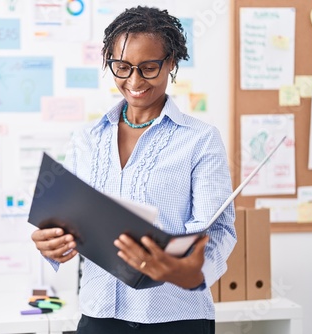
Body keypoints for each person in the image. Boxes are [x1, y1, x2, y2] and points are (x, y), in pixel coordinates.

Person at [31, 6, 236, 334]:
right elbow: (66, 219)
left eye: (149, 67)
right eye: (122, 67)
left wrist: (186, 270)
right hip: (98, 316)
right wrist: (52, 243)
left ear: (171, 63)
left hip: (174, 318)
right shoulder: (87, 139)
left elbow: (219, 231)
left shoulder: (201, 140)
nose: (134, 81)